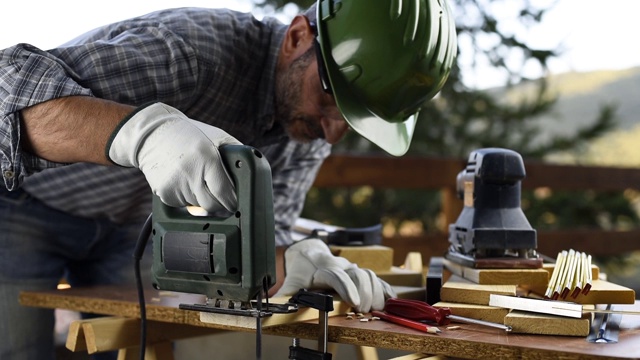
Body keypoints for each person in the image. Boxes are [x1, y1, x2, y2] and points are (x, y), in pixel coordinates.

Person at [0, 0, 456, 359]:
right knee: (17, 350)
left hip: (127, 229)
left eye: (354, 121)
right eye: (331, 98)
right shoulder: (195, 53)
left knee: (138, 343)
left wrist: (299, 259)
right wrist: (139, 133)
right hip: (26, 208)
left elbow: (261, 242)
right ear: (298, 37)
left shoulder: (309, 131)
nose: (332, 132)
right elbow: (11, 86)